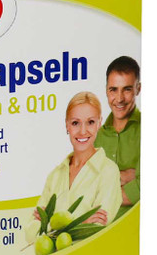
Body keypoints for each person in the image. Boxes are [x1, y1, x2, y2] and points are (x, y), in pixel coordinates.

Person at [25, 91, 122, 243]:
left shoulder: (108, 171)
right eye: (75, 123)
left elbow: (95, 229)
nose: (83, 131)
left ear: (99, 123)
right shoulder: (55, 175)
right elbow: (30, 233)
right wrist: (81, 223)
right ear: (67, 125)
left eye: (90, 122)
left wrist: (47, 224)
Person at [95, 56, 141, 219]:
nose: (119, 98)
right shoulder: (96, 136)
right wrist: (129, 176)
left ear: (138, 89)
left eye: (127, 89)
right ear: (106, 90)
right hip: (97, 229)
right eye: (113, 89)